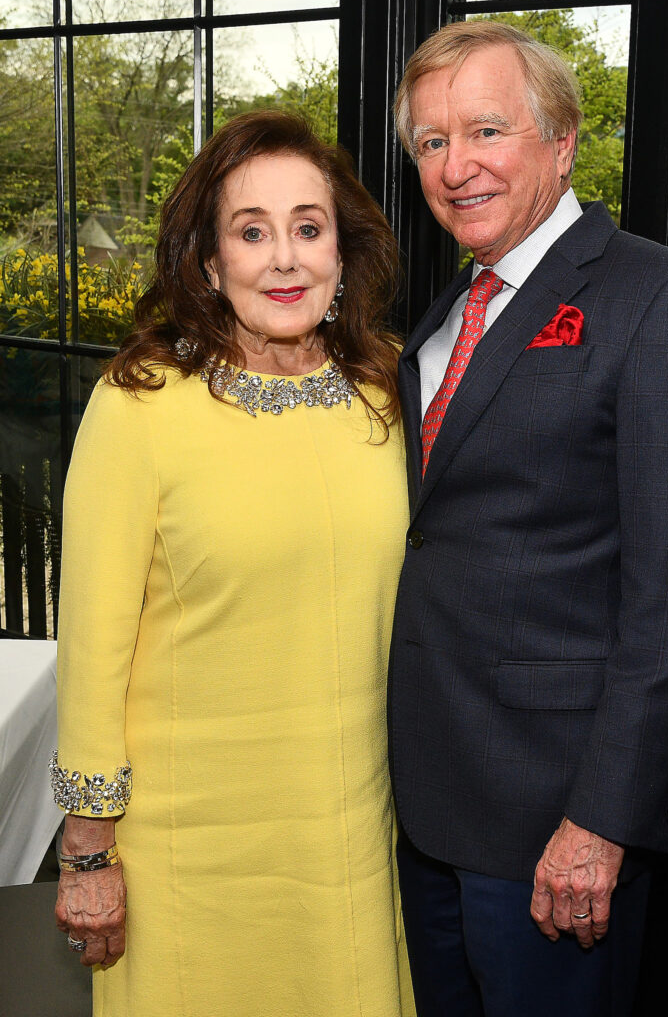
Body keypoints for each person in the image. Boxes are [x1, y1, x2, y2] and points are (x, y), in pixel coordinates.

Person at [388, 21, 668, 1017]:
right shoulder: (451, 305)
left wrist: (601, 820)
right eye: (430, 141)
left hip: (555, 825)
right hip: (426, 807)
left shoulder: (666, 301)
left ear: (561, 141)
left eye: (487, 130)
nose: (457, 165)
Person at [50, 110, 415, 1017]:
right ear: (210, 264)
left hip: (348, 838)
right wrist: (88, 850)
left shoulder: (389, 393)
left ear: (341, 254)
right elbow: (93, 642)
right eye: (252, 232)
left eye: (307, 227)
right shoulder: (139, 404)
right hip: (187, 847)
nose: (283, 258)